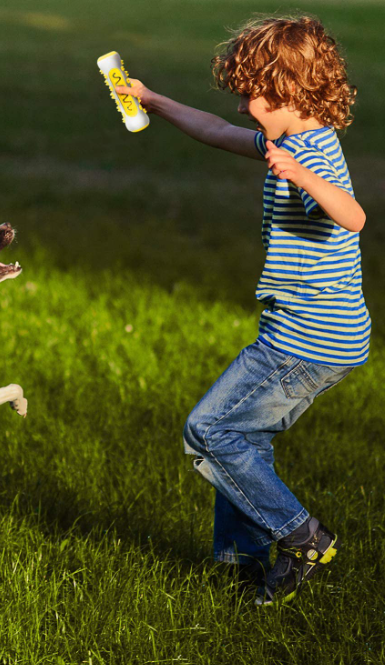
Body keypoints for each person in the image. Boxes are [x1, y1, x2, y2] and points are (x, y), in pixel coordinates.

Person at [115, 15, 371, 604]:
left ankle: (302, 535)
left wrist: (304, 176)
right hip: (314, 333)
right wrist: (151, 99)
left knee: (209, 430)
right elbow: (212, 129)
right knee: (244, 438)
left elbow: (354, 216)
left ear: (291, 94)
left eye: (253, 96)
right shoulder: (286, 138)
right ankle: (243, 563)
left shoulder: (314, 157)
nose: (241, 109)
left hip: (307, 340)